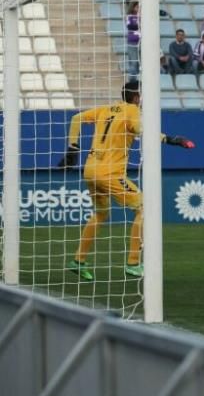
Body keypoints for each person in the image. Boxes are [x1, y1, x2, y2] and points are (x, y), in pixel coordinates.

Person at [59, 81, 193, 281]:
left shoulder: (107, 109)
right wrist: (171, 139)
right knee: (145, 208)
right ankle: (133, 263)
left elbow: (76, 118)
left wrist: (73, 147)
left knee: (100, 214)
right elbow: (141, 130)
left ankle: (78, 260)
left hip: (90, 170)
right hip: (110, 174)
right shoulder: (131, 110)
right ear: (137, 97)